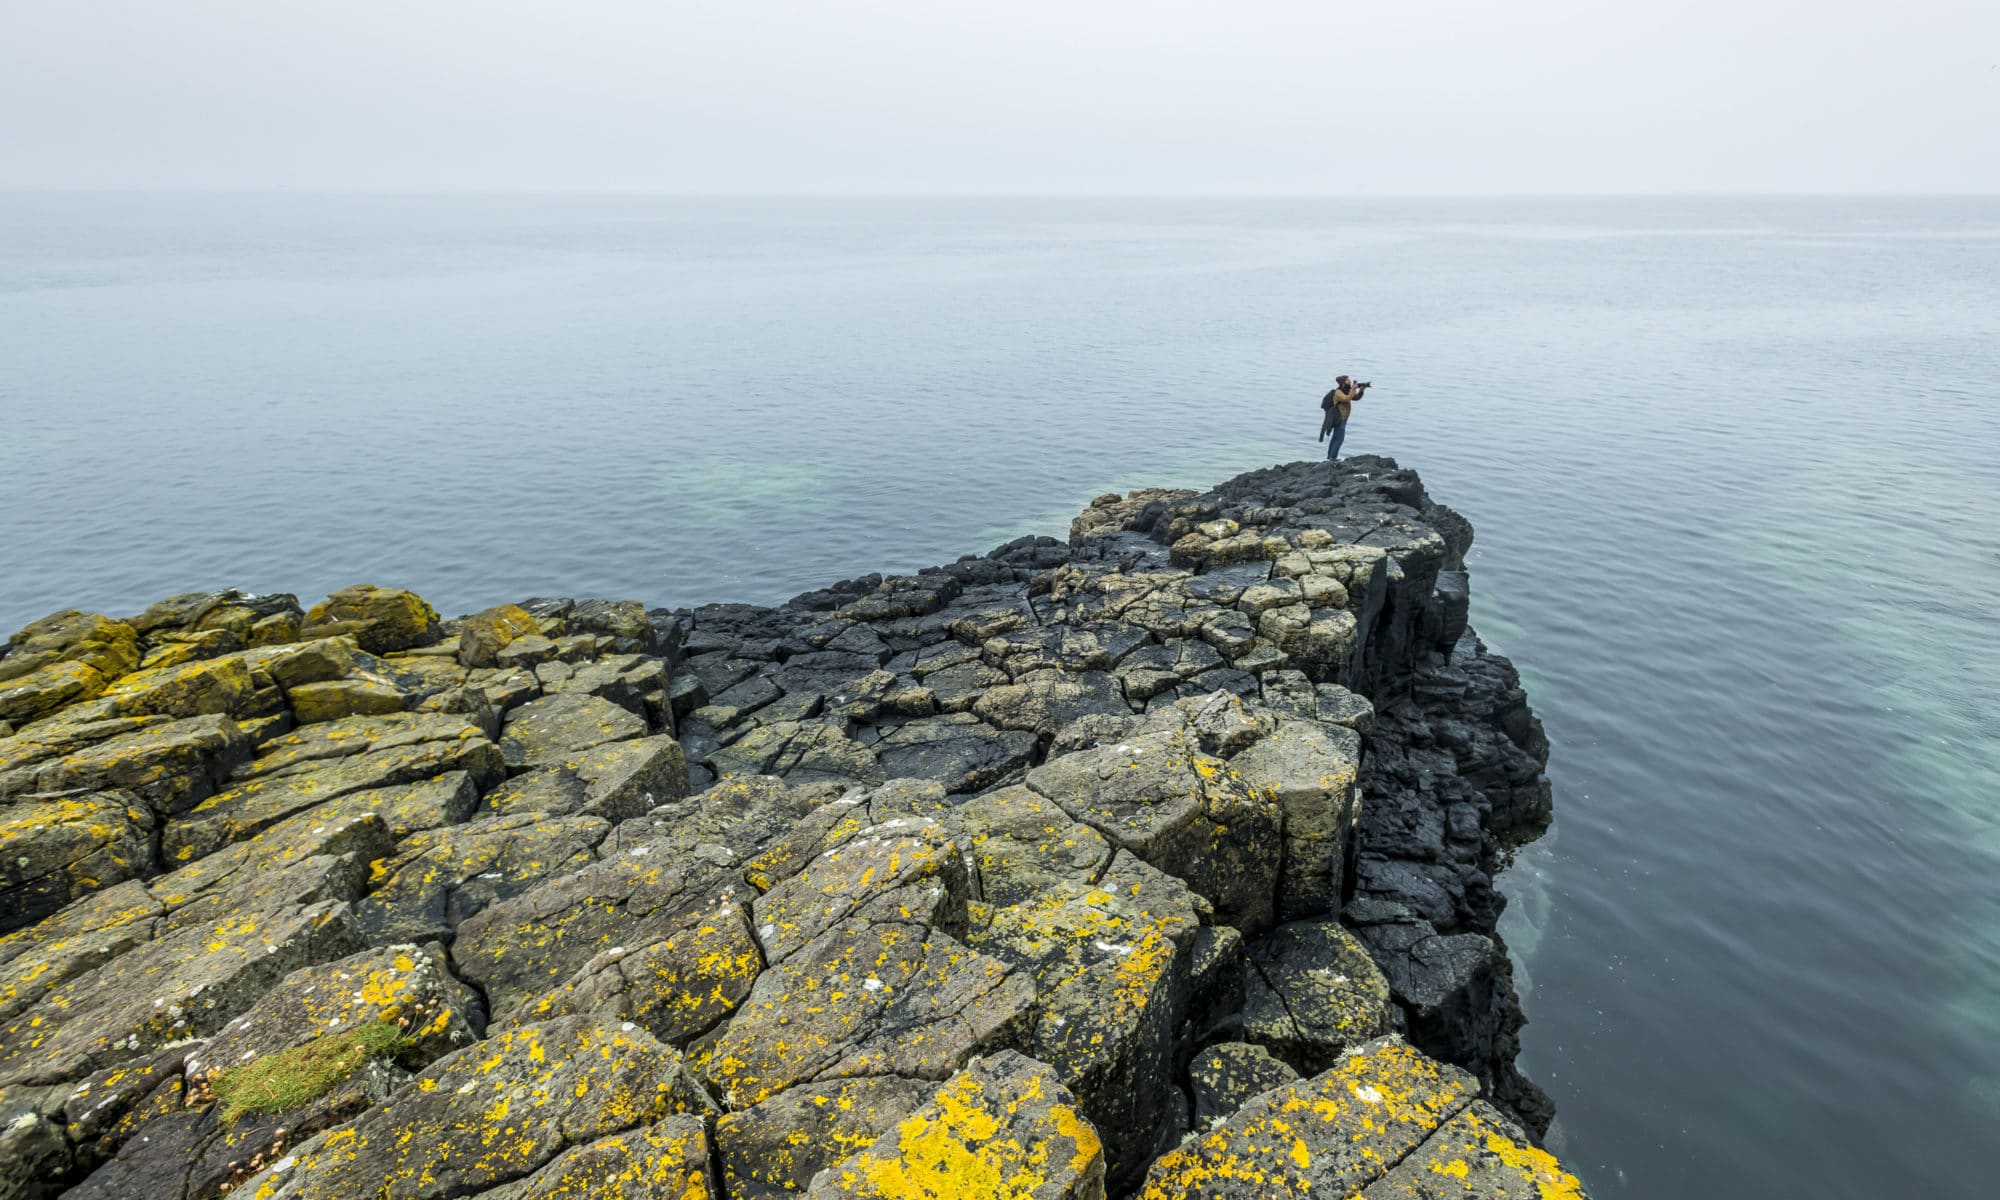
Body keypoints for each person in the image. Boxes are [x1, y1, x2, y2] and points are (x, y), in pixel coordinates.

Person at [1319, 374, 1369, 460]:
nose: (1350, 381)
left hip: (1343, 418)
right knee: (1339, 439)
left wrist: (1361, 390)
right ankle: (1333, 458)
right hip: (1339, 418)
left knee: (1335, 438)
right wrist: (1353, 389)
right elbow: (1346, 399)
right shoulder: (1338, 392)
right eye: (1347, 380)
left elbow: (1356, 398)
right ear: (1343, 382)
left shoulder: (1346, 390)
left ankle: (1330, 457)